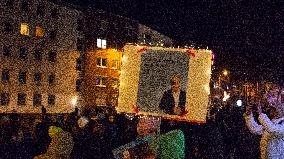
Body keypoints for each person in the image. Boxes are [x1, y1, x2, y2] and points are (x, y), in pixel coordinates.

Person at [244, 84, 284, 159]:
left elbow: (272, 129)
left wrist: (260, 113)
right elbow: (255, 129)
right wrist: (248, 114)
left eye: (275, 109)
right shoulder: (273, 122)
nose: (272, 111)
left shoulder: (280, 123)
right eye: (272, 110)